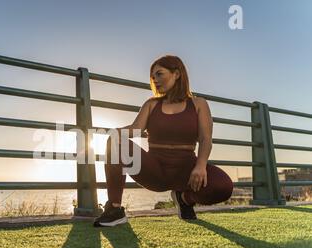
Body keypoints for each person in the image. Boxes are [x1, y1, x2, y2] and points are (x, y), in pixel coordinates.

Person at [94, 55, 234, 227]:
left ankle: (184, 199)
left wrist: (200, 165)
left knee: (224, 186)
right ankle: (114, 209)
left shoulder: (199, 104)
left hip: (186, 171)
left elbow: (206, 139)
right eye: (153, 77)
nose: (155, 80)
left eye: (159, 74)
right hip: (155, 170)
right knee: (115, 141)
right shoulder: (152, 104)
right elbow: (136, 128)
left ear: (177, 74)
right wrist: (111, 133)